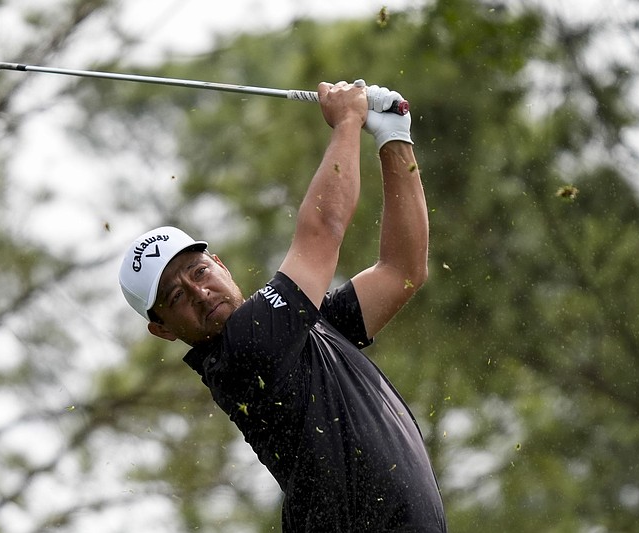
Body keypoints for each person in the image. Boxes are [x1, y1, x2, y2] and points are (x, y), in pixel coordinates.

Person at [119, 80, 447, 532]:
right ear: (163, 329)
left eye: (199, 271)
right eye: (175, 297)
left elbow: (402, 271)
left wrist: (394, 138)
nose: (199, 293)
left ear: (220, 264)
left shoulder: (302, 330)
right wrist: (348, 120)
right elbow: (323, 230)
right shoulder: (243, 351)